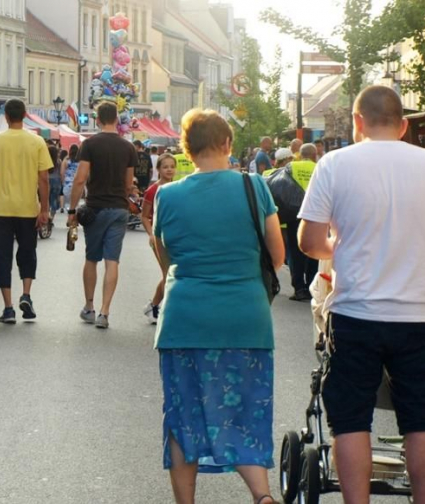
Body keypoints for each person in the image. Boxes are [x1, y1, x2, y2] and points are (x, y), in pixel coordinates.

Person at [299, 85, 425, 504]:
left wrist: (341, 247)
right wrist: (412, 250)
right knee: (422, 422)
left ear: (356, 121)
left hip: (356, 311)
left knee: (350, 421)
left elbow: (309, 240)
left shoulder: (334, 163)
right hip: (417, 314)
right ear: (404, 125)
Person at [154, 108, 284, 504]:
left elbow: (166, 255)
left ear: (185, 150)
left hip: (185, 321)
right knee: (246, 414)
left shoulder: (167, 195)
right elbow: (277, 256)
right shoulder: (254, 187)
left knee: (183, 418)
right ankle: (262, 496)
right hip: (246, 320)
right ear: (227, 144)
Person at [0, 99, 53, 324]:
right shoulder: (37, 142)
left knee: (2, 256)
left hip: (0, 210)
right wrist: (44, 209)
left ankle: (8, 308)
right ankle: (26, 294)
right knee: (28, 252)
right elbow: (44, 178)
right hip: (27, 208)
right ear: (25, 115)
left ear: (5, 116)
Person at [67, 101, 137, 329]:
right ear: (117, 120)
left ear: (97, 119)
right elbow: (128, 185)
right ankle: (105, 312)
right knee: (112, 261)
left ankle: (89, 307)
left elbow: (80, 179)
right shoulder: (128, 148)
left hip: (96, 207)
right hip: (119, 208)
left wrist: (72, 209)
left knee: (91, 258)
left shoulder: (90, 144)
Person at [140, 153, 176, 324]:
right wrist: (151, 235)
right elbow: (144, 216)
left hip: (176, 237)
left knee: (174, 274)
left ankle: (154, 305)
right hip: (159, 238)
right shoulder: (152, 190)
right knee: (168, 274)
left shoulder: (177, 187)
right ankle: (157, 307)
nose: (169, 170)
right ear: (158, 169)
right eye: (165, 167)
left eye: (172, 166)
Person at [285, 143, 319, 301]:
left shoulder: (291, 166)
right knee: (314, 253)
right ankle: (312, 286)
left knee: (295, 253)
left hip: (294, 216)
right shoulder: (320, 167)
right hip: (316, 215)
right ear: (314, 155)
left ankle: (299, 288)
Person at [61, 144, 80, 211]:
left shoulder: (66, 160)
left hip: (67, 183)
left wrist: (63, 182)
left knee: (68, 204)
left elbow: (62, 172)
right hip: (77, 183)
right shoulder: (80, 160)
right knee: (75, 204)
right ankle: (73, 218)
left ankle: (69, 218)